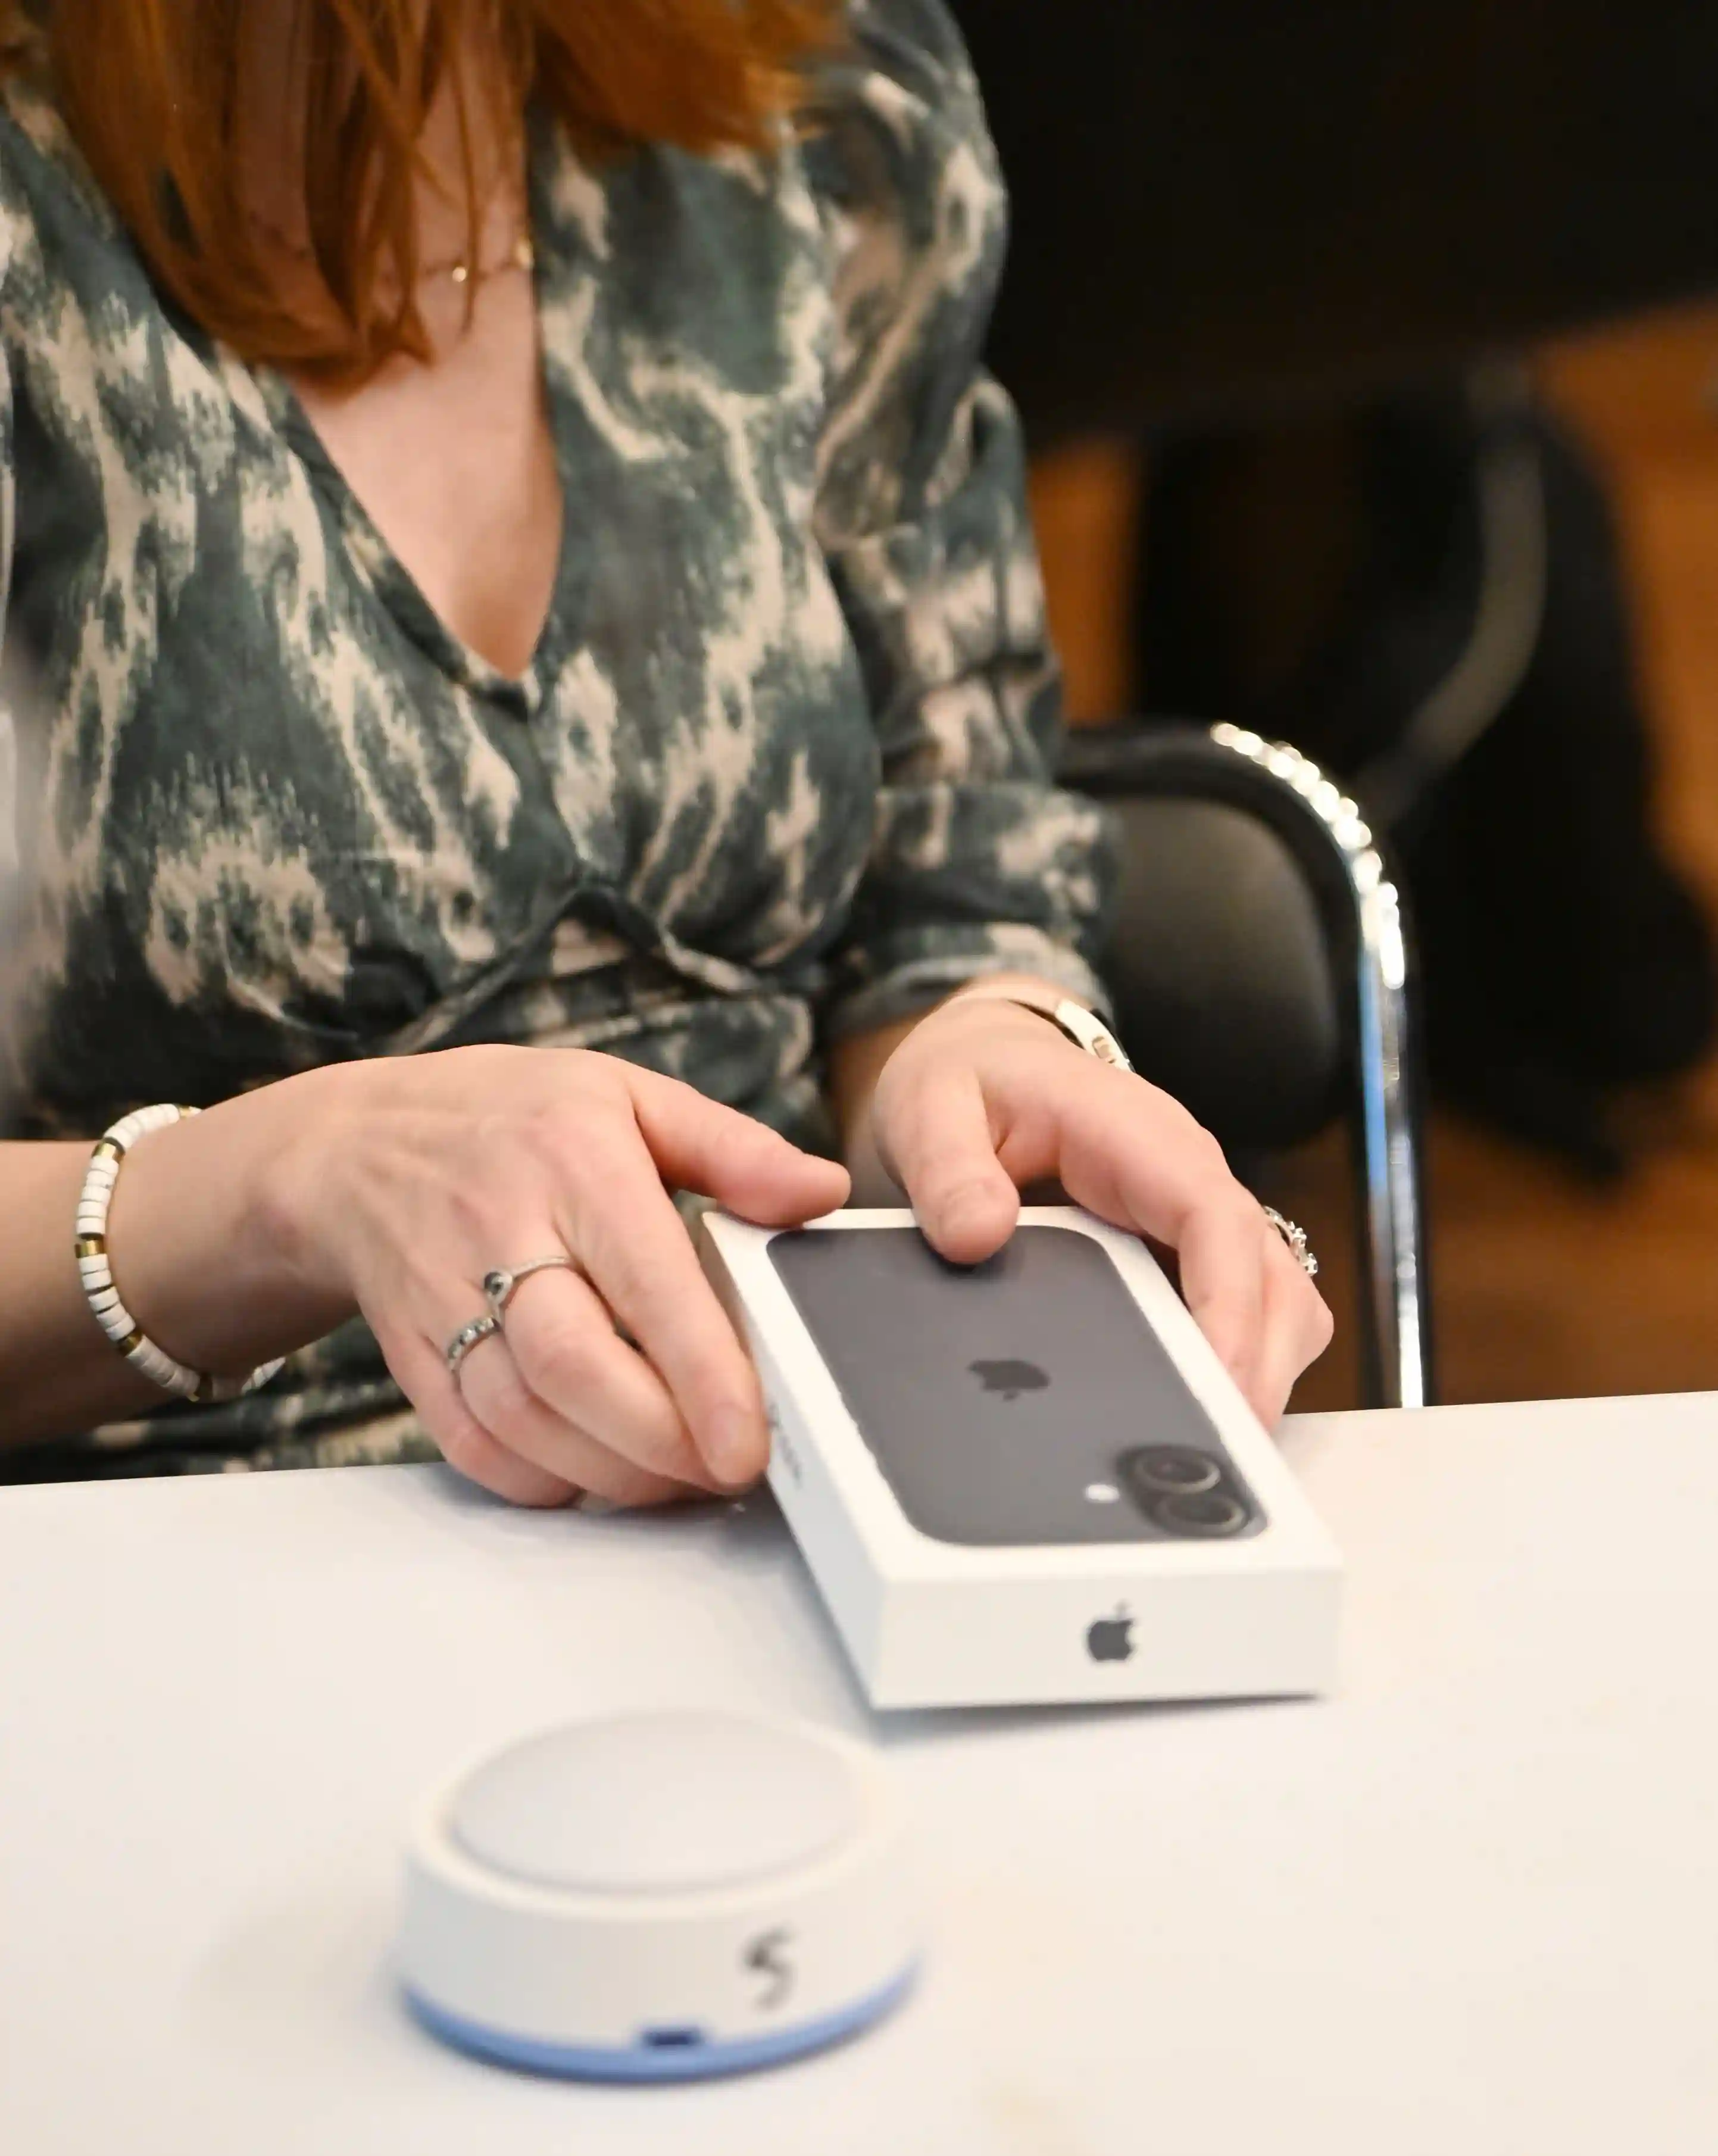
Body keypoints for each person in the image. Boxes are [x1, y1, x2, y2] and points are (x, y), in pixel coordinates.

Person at [0, 0, 1329, 1496]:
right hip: (196, 1535)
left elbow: (946, 879)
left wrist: (985, 1056)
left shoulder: (813, 95)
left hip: (811, 1478)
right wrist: (289, 1186)